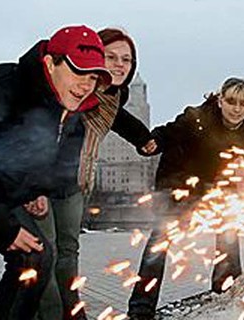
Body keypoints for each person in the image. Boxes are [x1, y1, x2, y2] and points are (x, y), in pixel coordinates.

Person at [0, 25, 111, 319]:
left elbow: (45, 163)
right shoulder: (0, 92)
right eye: (78, 72)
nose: (85, 85)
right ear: (50, 63)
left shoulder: (70, 111)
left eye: (92, 77)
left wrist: (35, 190)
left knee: (36, 257)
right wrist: (1, 227)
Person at [33, 27, 157, 319]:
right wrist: (32, 182)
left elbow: (117, 119)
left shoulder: (112, 95)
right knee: (44, 256)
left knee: (67, 253)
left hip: (76, 183)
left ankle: (70, 312)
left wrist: (144, 138)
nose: (118, 65)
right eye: (110, 57)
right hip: (41, 182)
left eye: (126, 60)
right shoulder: (78, 84)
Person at [127, 77, 244, 319]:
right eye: (232, 102)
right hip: (180, 183)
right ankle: (141, 307)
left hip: (217, 189)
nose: (237, 109)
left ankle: (225, 291)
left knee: (228, 233)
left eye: (243, 104)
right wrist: (153, 142)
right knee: (161, 240)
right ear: (220, 100)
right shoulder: (197, 117)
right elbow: (168, 132)